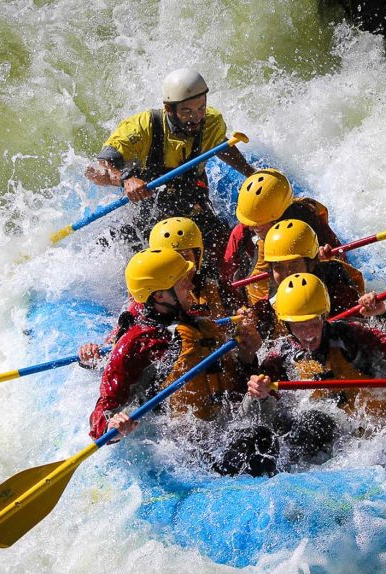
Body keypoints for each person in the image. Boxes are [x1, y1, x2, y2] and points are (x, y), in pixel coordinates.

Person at [213, 273, 386, 477]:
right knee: (301, 425)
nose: (308, 333)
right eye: (299, 325)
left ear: (324, 315)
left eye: (313, 322)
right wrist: (259, 396)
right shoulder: (280, 357)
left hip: (375, 440)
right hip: (326, 446)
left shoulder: (352, 337)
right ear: (286, 324)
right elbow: (251, 417)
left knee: (315, 421)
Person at [85, 68, 256, 274]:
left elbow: (221, 145)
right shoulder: (141, 127)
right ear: (168, 108)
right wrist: (126, 179)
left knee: (225, 252)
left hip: (194, 206)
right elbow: (101, 166)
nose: (196, 118)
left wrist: (250, 172)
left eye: (201, 108)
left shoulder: (211, 122)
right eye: (187, 112)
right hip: (150, 214)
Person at [88, 247, 261, 441]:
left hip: (223, 428)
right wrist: (112, 427)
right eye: (182, 282)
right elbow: (102, 411)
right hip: (175, 443)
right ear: (160, 296)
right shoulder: (135, 344)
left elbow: (234, 381)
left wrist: (248, 355)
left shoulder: (200, 322)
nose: (191, 286)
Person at [78, 217, 235, 368]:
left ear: (198, 256)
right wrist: (92, 357)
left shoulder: (216, 285)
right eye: (172, 259)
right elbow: (116, 349)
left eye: (185, 256)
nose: (180, 266)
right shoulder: (148, 301)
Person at [221, 168, 343, 304]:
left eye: (258, 223)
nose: (251, 227)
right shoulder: (243, 231)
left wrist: (323, 260)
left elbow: (341, 259)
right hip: (268, 292)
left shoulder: (308, 220)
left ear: (278, 218)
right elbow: (225, 276)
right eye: (249, 222)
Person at [257, 218, 386, 334]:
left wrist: (381, 313)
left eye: (294, 264)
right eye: (278, 267)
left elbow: (383, 334)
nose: (287, 274)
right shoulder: (270, 302)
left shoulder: (335, 286)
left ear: (310, 263)